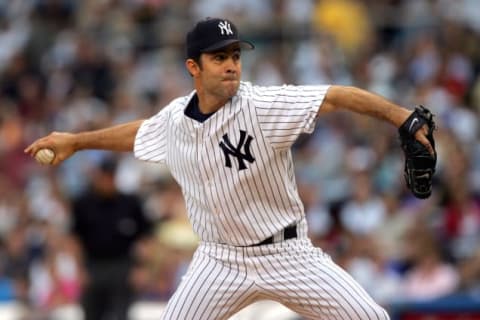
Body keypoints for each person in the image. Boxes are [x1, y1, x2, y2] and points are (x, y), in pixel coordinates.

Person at [25, 17, 434, 320]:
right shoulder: (174, 120)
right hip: (219, 262)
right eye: (219, 57)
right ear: (193, 67)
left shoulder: (261, 106)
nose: (231, 65)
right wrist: (77, 142)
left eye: (235, 55)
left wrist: (402, 117)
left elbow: (336, 96)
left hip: (288, 254)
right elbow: (140, 133)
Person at [71, 157, 152, 320]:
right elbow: (75, 239)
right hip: (93, 267)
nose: (108, 181)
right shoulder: (83, 203)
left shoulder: (130, 203)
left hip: (122, 266)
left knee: (122, 314)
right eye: (105, 176)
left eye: (111, 176)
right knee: (91, 314)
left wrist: (141, 267)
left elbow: (145, 238)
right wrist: (79, 269)